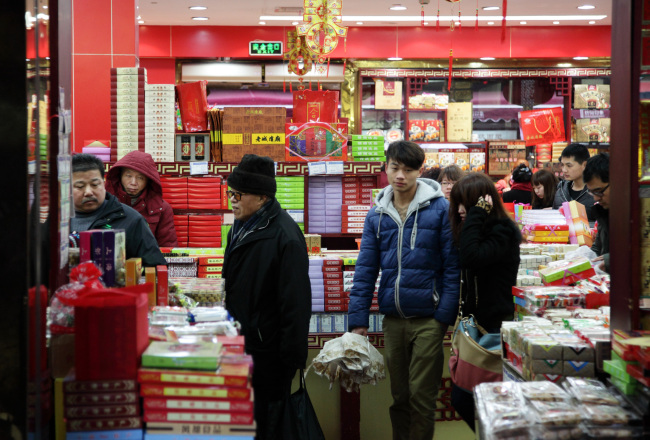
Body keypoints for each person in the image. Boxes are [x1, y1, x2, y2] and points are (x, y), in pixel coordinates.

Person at [347, 141, 460, 440]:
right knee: (399, 399)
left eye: (408, 170)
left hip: (428, 319)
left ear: (420, 172)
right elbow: (365, 270)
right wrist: (357, 322)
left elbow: (452, 268)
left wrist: (442, 320)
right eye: (395, 168)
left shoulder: (440, 210)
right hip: (393, 319)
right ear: (385, 168)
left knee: (421, 400)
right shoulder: (377, 215)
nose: (400, 175)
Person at [221, 154, 311, 440]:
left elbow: (296, 304)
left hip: (269, 356)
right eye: (229, 192)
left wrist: (290, 361)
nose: (232, 200)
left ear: (261, 198)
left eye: (238, 194)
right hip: (244, 345)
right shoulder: (242, 226)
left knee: (270, 426)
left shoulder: (285, 236)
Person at [448, 173, 522, 430]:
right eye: (455, 203)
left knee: (475, 399)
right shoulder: (476, 231)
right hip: (474, 327)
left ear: (484, 204)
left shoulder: (502, 231)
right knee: (464, 397)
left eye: (465, 204)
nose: (459, 211)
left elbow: (471, 258)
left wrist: (477, 214)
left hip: (493, 328)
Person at [71, 153, 166, 267]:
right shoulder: (56, 220)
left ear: (103, 182)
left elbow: (156, 266)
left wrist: (122, 273)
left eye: (95, 185)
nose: (88, 192)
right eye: (80, 186)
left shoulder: (131, 219)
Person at [105, 151, 178, 247]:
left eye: (140, 178)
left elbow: (168, 247)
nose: (133, 182)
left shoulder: (162, 208)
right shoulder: (104, 203)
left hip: (147, 260)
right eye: (128, 176)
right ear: (120, 176)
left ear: (148, 181)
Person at [553, 143, 596, 222]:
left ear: (584, 165)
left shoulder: (596, 192)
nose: (564, 170)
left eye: (569, 166)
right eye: (562, 165)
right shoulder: (560, 189)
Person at [584, 153, 610, 272]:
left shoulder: (637, 212)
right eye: (592, 192)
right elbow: (598, 248)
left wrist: (610, 259)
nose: (595, 198)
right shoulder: (604, 212)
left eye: (599, 191)